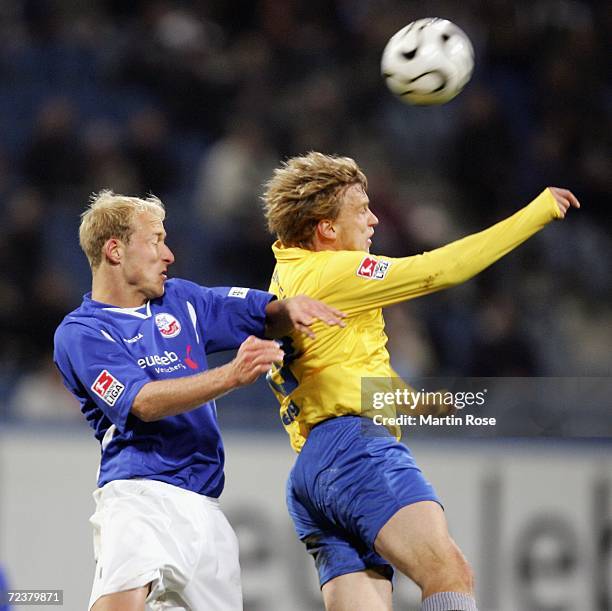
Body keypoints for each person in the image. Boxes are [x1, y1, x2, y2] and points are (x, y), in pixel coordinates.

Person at [261, 152, 580, 611]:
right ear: (326, 229)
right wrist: (537, 211)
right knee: (447, 572)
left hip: (313, 470)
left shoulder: (286, 277)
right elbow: (439, 270)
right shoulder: (335, 271)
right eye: (361, 210)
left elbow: (343, 375)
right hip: (355, 450)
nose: (373, 219)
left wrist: (419, 403)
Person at [53, 190, 345, 611]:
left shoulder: (182, 299)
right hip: (139, 495)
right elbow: (143, 403)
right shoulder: (81, 332)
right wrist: (231, 375)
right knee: (122, 602)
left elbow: (267, 315)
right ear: (114, 250)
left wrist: (293, 309)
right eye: (155, 240)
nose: (168, 254)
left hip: (207, 509)